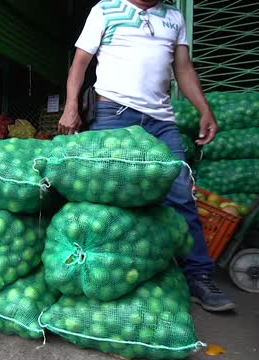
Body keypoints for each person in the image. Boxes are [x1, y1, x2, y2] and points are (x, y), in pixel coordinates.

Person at [58, 0, 234, 312]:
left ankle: (198, 276)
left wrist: (204, 109)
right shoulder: (105, 9)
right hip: (114, 114)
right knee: (107, 197)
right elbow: (80, 62)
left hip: (161, 121)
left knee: (180, 194)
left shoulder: (173, 16)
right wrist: (71, 105)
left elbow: (183, 68)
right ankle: (98, 274)